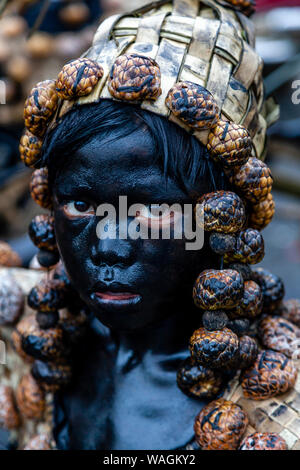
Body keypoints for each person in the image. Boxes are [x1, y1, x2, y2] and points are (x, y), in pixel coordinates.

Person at [2, 0, 300, 451]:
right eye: (81, 204)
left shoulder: (280, 406)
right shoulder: (21, 339)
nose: (109, 247)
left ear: (224, 214)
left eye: (153, 211)